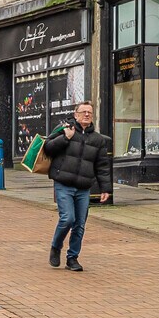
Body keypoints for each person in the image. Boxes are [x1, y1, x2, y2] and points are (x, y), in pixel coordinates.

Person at [44, 101, 112, 270]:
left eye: (90, 112)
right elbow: (47, 148)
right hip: (63, 183)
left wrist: (105, 188)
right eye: (83, 112)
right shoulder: (65, 130)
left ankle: (72, 258)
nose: (87, 115)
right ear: (76, 114)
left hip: (83, 187)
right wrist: (64, 138)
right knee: (67, 218)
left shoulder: (98, 140)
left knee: (80, 224)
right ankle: (56, 247)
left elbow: (102, 165)